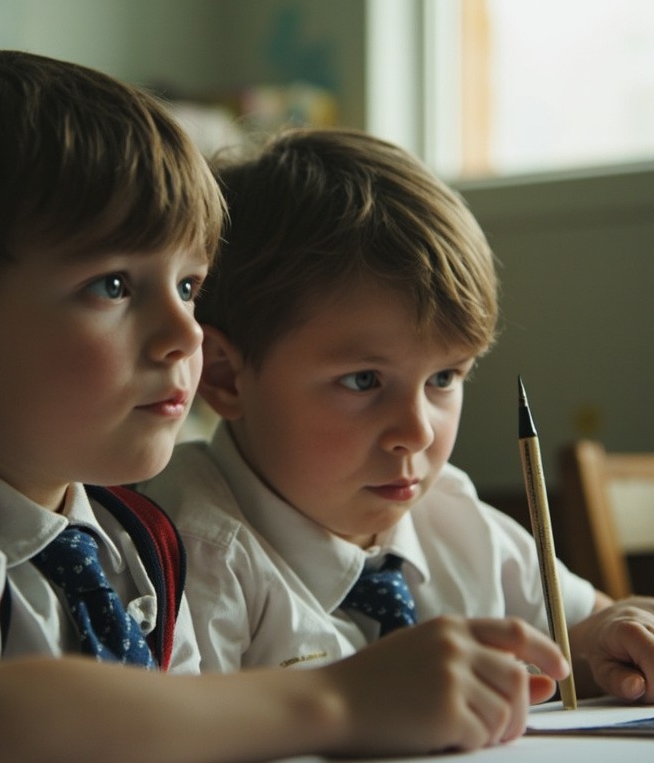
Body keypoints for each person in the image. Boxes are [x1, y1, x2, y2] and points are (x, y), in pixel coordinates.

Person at [0, 54, 568, 763]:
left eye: (189, 286)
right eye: (113, 286)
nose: (186, 334)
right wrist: (338, 701)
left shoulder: (133, 540)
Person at [139, 128, 654, 700]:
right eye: (363, 381)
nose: (417, 431)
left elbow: (579, 636)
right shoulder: (184, 550)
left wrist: (613, 634)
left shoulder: (456, 519)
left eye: (443, 379)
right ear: (224, 377)